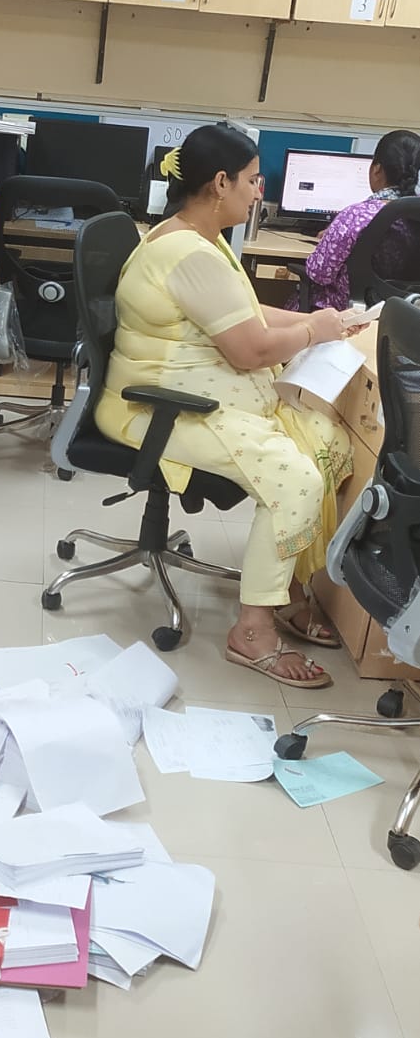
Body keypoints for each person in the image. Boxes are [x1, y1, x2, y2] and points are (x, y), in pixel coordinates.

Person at [95, 124, 367, 688]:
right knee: (296, 478)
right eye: (252, 180)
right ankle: (252, 631)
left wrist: (327, 323)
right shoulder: (187, 253)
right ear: (221, 183)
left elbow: (246, 312)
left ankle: (288, 589)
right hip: (161, 408)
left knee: (327, 441)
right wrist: (313, 331)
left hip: (204, 397)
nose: (259, 191)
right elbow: (249, 350)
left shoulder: (202, 237)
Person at [294, 129, 420, 311]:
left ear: (376, 169)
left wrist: (333, 238)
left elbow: (319, 274)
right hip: (405, 313)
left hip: (347, 313)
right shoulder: (413, 215)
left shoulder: (356, 216)